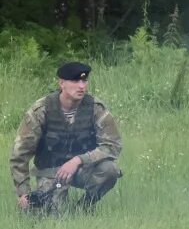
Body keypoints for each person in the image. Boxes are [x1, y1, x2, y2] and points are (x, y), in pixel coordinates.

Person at [11, 61, 123, 212]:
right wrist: (23, 193)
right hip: (51, 172)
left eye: (84, 81)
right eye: (75, 81)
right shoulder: (41, 110)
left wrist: (78, 160)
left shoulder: (95, 108)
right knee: (49, 214)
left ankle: (84, 209)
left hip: (82, 168)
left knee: (109, 171)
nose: (82, 86)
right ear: (62, 83)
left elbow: (112, 145)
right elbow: (20, 154)